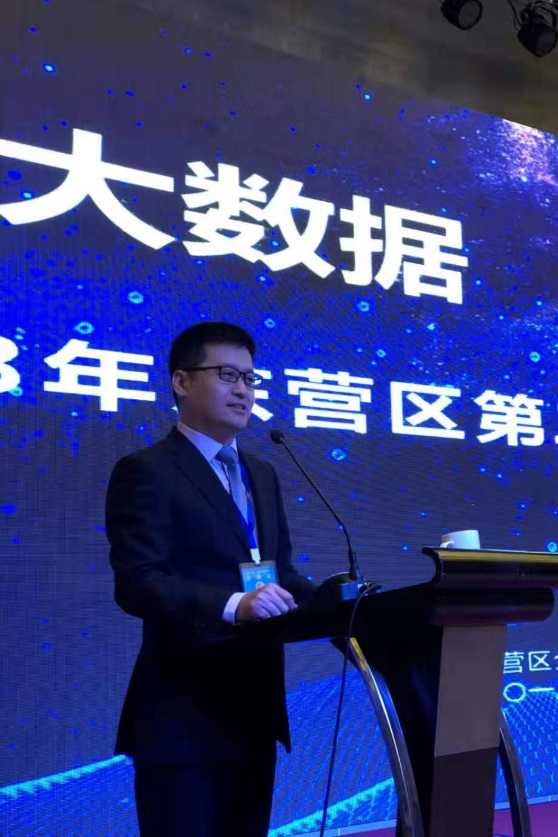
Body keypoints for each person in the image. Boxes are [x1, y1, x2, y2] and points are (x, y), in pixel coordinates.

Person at [106, 321, 315, 837]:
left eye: (250, 378)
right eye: (227, 375)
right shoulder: (147, 470)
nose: (243, 390)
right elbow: (138, 581)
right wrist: (233, 605)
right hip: (183, 716)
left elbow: (281, 571)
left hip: (254, 707)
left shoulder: (261, 473)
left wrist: (348, 605)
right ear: (181, 381)